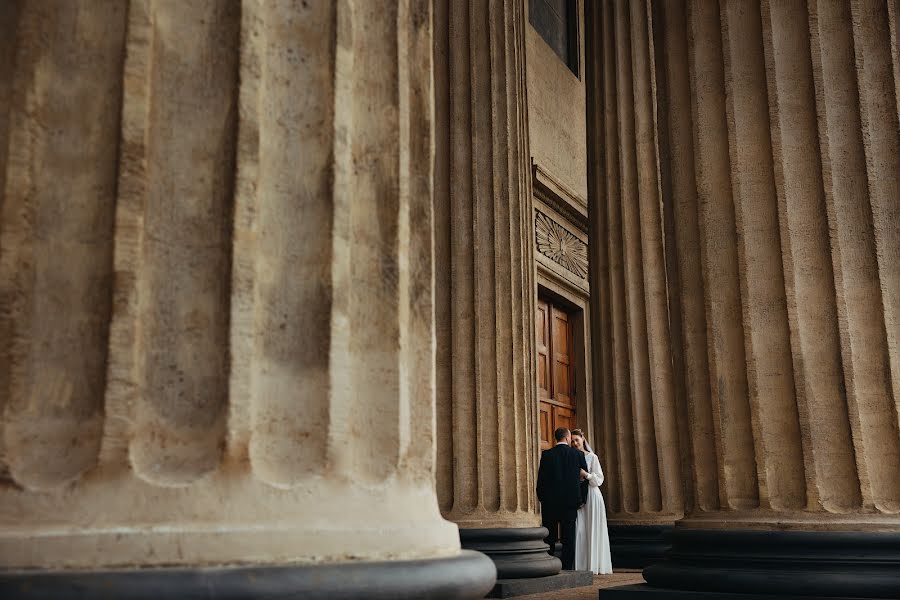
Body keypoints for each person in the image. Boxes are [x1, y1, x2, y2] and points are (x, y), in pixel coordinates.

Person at [536, 427, 588, 570]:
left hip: (550, 503)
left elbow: (541, 480)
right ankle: (566, 567)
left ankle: (549, 564)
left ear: (556, 438)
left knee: (550, 536)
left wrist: (542, 498)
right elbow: (584, 479)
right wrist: (582, 499)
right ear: (567, 438)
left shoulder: (546, 455)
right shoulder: (577, 455)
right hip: (571, 503)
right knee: (568, 537)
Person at [571, 429, 612, 574]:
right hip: (579, 497)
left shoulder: (592, 457)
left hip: (593, 496)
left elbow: (599, 479)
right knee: (581, 529)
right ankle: (582, 565)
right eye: (572, 441)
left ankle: (595, 565)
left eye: (577, 439)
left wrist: (586, 475)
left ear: (583, 438)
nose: (575, 443)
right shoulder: (572, 457)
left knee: (593, 528)